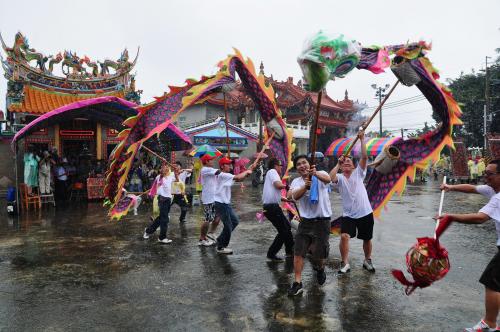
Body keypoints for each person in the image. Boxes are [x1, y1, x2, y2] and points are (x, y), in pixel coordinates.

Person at [438, 159, 500, 332]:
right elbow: (472, 188)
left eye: (490, 174)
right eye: (485, 173)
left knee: (492, 282)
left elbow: (480, 218)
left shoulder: (498, 198)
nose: (485, 177)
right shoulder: (493, 189)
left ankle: (489, 324)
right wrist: (450, 187)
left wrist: (450, 216)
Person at [330, 129, 375, 275]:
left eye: (349, 161)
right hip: (348, 214)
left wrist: (362, 139)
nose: (347, 163)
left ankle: (367, 260)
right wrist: (338, 163)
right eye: (345, 163)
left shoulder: (359, 173)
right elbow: (331, 178)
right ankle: (345, 263)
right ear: (342, 167)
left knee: (367, 238)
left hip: (365, 212)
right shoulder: (340, 178)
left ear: (354, 166)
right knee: (344, 236)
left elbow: (364, 156)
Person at [287, 155, 332, 296]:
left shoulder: (321, 174)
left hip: (322, 221)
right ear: (297, 168)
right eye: (299, 164)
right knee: (298, 252)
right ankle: (297, 283)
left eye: (304, 162)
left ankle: (319, 268)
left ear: (310, 164)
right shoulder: (296, 181)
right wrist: (305, 186)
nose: (302, 166)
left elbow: (328, 180)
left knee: (318, 255)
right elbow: (292, 196)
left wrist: (315, 174)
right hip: (305, 222)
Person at [214, 157, 253, 254]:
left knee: (234, 221)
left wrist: (249, 170)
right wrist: (246, 171)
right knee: (228, 225)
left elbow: (240, 178)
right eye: (228, 164)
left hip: (225, 203)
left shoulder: (227, 175)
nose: (230, 166)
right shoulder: (222, 175)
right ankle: (221, 247)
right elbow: (238, 177)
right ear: (222, 166)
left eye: (231, 164)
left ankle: (220, 239)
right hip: (220, 203)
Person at [262, 157, 294, 261]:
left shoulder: (270, 173)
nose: (281, 168)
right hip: (272, 207)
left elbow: (273, 192)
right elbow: (278, 185)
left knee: (287, 228)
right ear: (276, 165)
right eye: (281, 166)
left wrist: (286, 199)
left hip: (272, 206)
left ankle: (290, 251)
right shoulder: (272, 171)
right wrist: (287, 186)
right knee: (284, 230)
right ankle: (271, 253)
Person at [143, 164, 175, 244]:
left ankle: (148, 230)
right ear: (161, 169)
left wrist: (177, 172)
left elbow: (177, 180)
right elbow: (157, 184)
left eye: (167, 167)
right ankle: (162, 237)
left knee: (161, 218)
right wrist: (162, 173)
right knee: (165, 219)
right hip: (162, 199)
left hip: (168, 199)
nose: (166, 168)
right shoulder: (159, 177)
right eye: (164, 167)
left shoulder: (171, 177)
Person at [198, 154, 221, 246]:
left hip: (215, 197)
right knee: (208, 219)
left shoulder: (210, 170)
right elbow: (219, 172)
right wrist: (224, 162)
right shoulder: (205, 169)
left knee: (218, 217)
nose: (212, 161)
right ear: (206, 162)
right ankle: (202, 238)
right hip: (209, 199)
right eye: (211, 160)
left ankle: (211, 233)